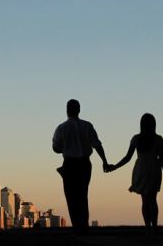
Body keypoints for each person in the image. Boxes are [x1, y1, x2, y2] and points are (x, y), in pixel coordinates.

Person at [107, 113, 163, 235]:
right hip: (154, 168)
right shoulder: (158, 139)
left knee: (145, 201)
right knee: (153, 199)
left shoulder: (136, 139)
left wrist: (114, 167)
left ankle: (147, 227)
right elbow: (162, 159)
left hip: (141, 168)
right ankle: (155, 227)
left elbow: (127, 158)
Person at [52, 99, 109, 235]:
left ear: (67, 110)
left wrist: (67, 147)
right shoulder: (87, 126)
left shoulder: (61, 128)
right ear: (79, 110)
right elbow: (97, 145)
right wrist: (104, 161)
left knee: (71, 197)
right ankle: (84, 226)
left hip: (70, 165)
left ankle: (77, 227)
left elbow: (56, 148)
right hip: (84, 164)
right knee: (83, 196)